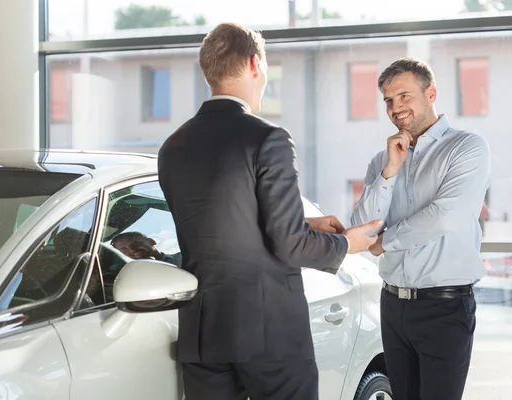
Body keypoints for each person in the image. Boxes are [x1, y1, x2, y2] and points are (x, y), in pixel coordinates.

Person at [158, 22, 382, 400]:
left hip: (203, 333)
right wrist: (348, 244)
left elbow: (221, 224)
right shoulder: (267, 138)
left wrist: (306, 222)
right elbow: (290, 245)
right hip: (269, 333)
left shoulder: (172, 147)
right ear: (254, 63)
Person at [351, 57, 491, 400]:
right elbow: (361, 227)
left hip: (444, 306)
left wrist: (387, 242)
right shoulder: (381, 160)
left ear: (430, 93)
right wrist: (390, 171)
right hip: (393, 304)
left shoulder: (466, 148)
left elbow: (446, 216)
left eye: (404, 96)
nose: (395, 107)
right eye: (388, 100)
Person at [111, 231, 182, 267]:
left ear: (152, 241)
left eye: (136, 243)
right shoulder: (133, 274)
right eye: (124, 249)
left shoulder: (183, 258)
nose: (132, 249)